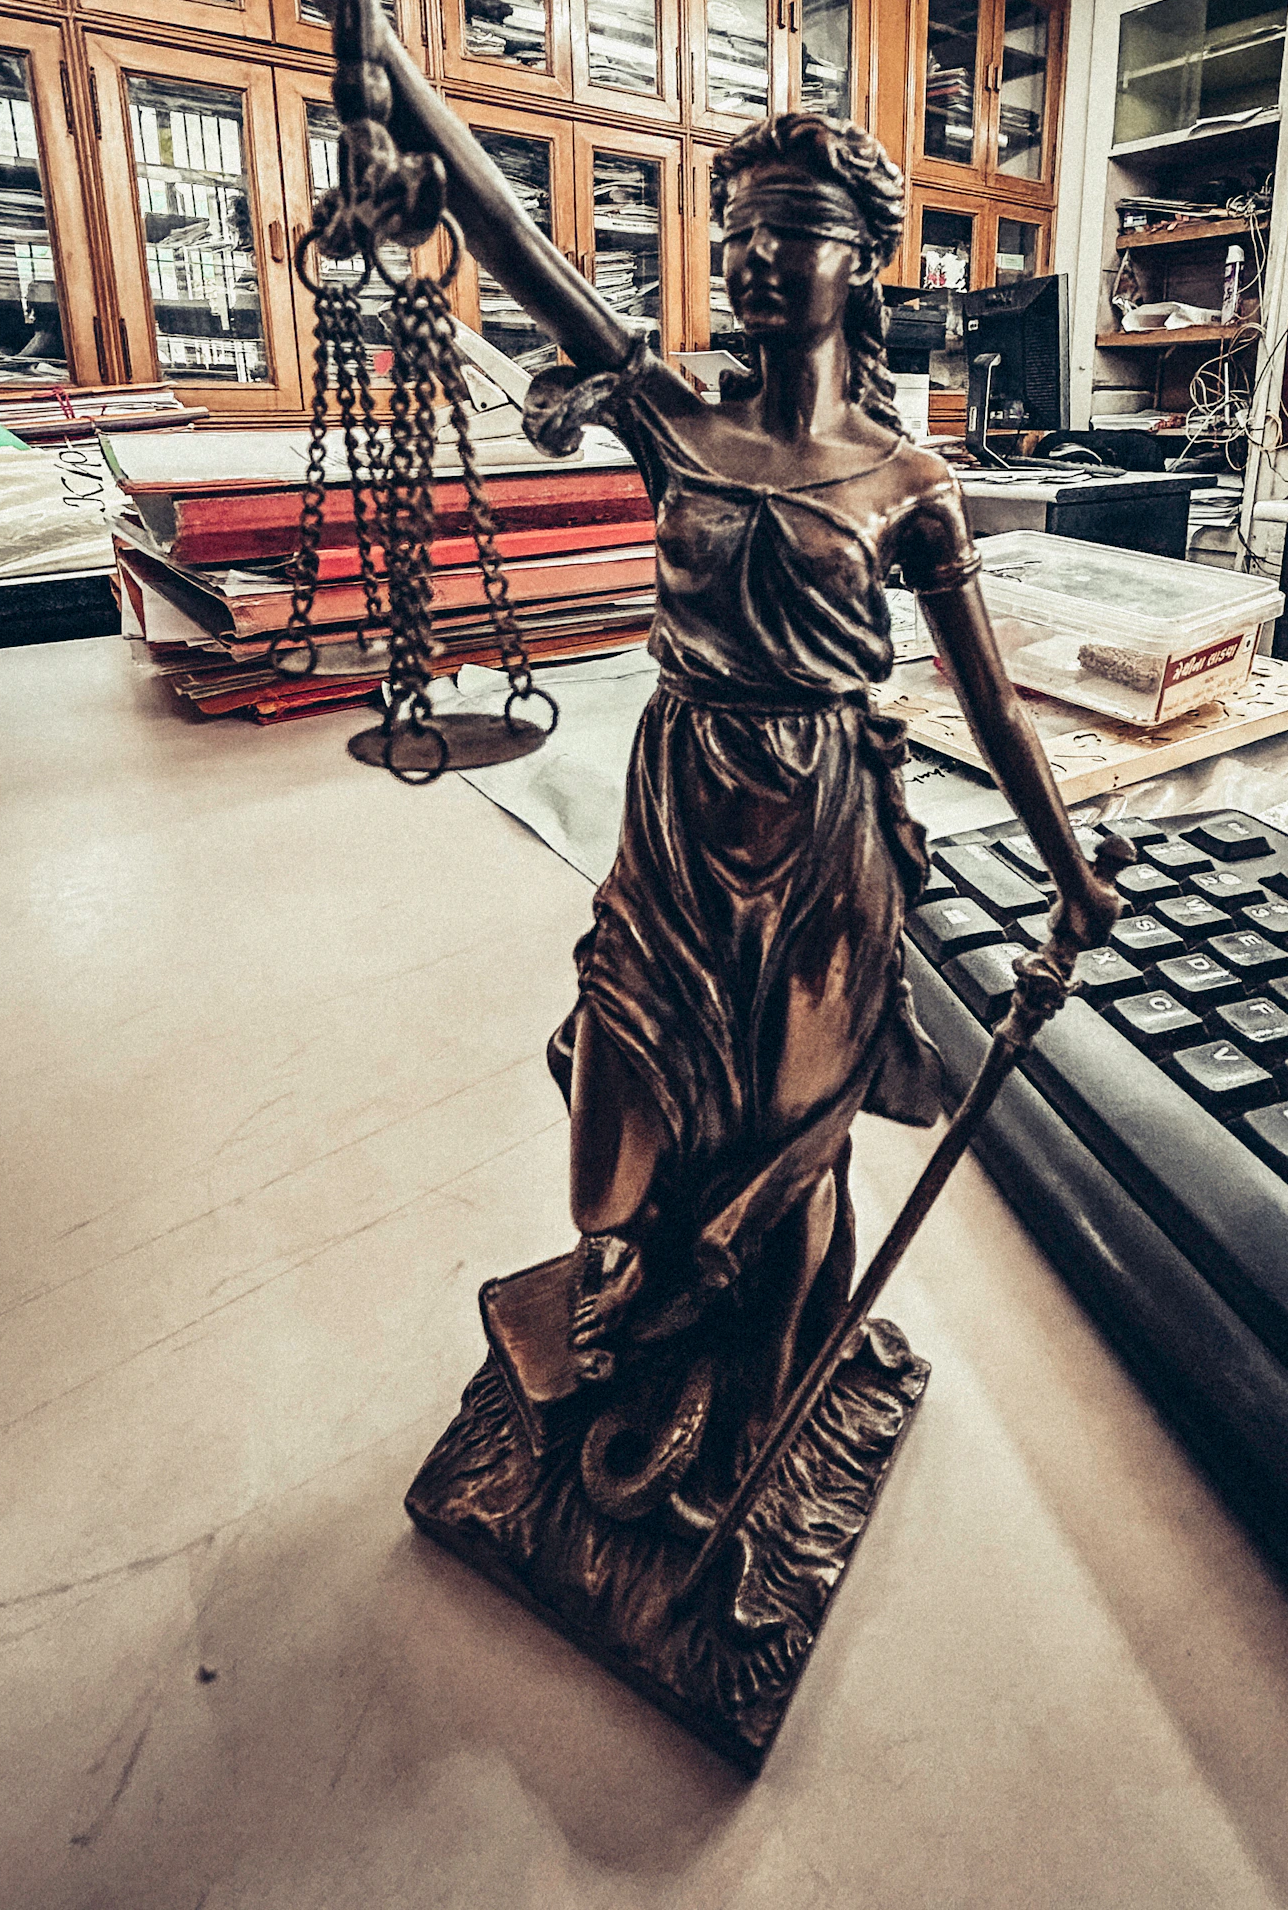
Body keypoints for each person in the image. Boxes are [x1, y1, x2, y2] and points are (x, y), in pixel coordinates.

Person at [359, 74, 1125, 1529]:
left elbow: (993, 702)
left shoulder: (910, 483)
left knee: (786, 1152)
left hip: (826, 837)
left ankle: (761, 1405)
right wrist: (381, 43)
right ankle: (643, 1330)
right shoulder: (670, 412)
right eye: (740, 233)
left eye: (796, 233)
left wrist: (1068, 870)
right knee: (623, 1116)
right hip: (677, 811)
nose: (757, 258)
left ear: (862, 261)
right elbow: (519, 238)